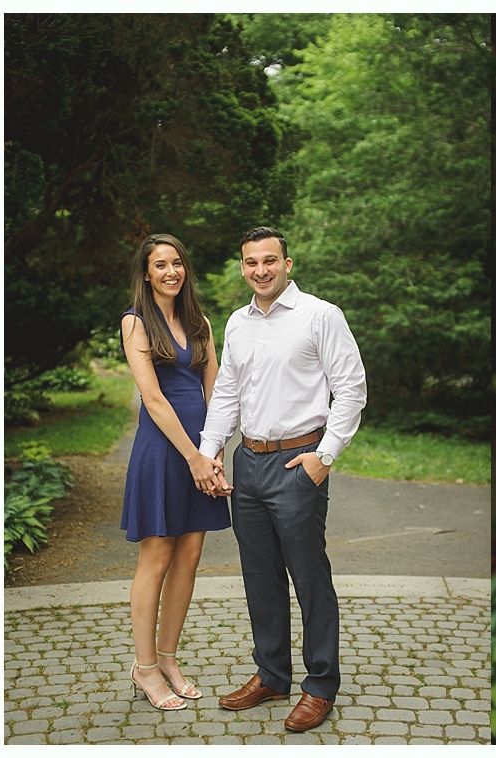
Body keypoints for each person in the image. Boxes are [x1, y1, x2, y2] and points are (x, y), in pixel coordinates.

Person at [198, 226, 367, 733]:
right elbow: (227, 393)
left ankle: (320, 686)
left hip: (299, 462)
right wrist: (210, 453)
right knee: (260, 578)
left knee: (309, 577)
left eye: (270, 261)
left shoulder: (321, 315)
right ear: (243, 267)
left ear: (287, 265)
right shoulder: (237, 323)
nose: (261, 270)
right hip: (248, 464)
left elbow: (352, 390)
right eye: (251, 263)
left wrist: (324, 457)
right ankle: (272, 675)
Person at [121, 233, 233, 711]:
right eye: (160, 264)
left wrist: (216, 452)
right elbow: (153, 398)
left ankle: (168, 658)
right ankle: (143, 667)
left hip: (202, 452)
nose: (171, 271)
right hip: (164, 452)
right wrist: (194, 457)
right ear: (146, 273)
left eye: (177, 263)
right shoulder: (135, 323)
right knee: (158, 558)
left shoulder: (201, 323)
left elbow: (219, 394)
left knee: (189, 558)